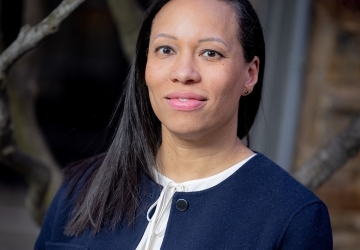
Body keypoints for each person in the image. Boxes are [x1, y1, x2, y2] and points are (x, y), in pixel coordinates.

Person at [35, 0, 333, 249]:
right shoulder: (80, 188)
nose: (184, 72)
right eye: (166, 50)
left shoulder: (294, 217)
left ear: (250, 74)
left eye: (210, 53)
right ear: (144, 67)